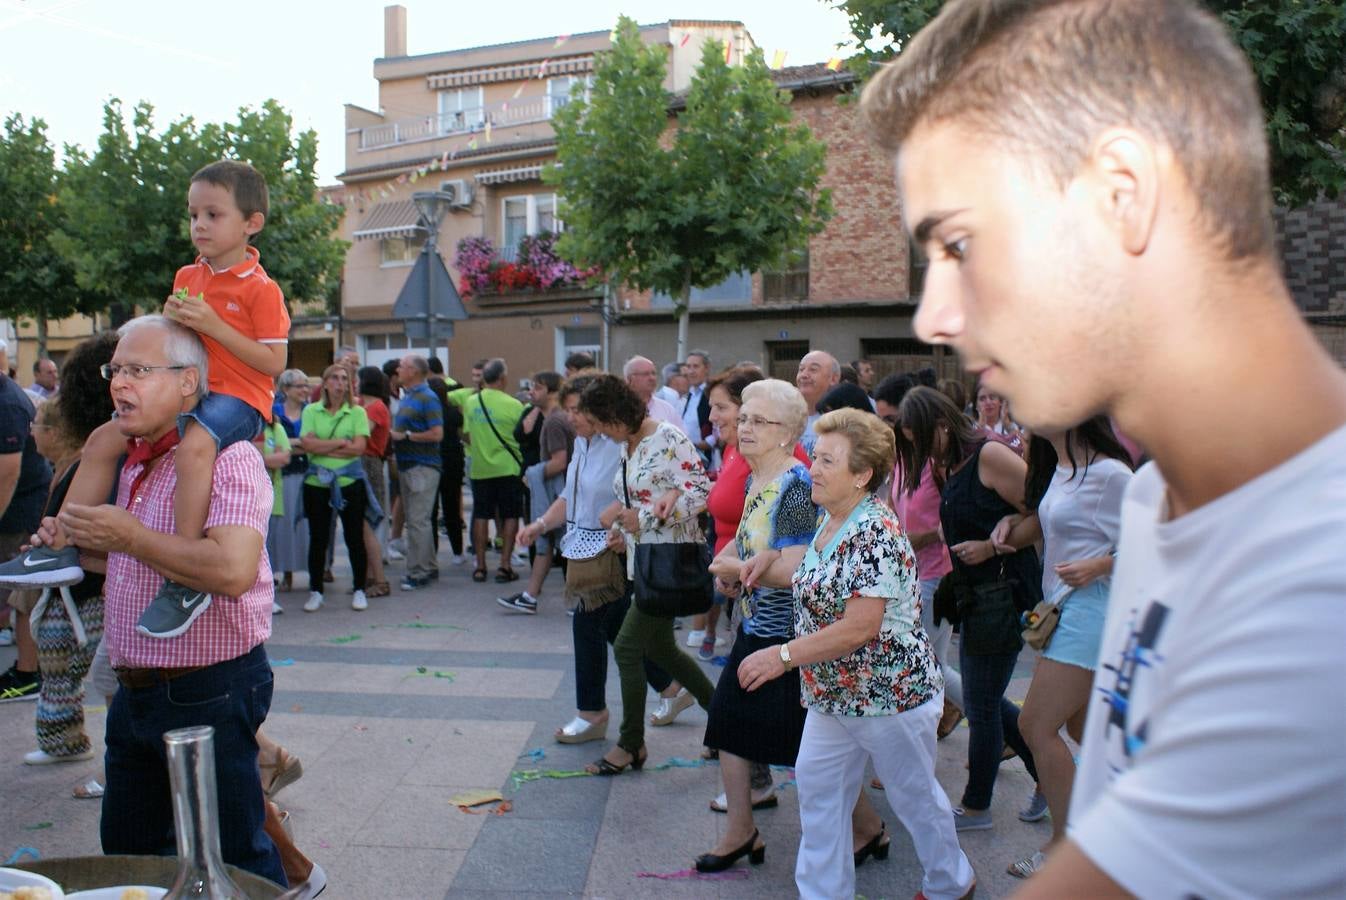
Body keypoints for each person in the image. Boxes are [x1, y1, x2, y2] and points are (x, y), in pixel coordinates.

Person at [866, 2, 1346, 895]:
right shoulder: (1161, 494)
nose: (934, 315)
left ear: (1123, 195)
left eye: (960, 243)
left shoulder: (1319, 575)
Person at [37, 315, 285, 884]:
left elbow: (231, 570)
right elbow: (138, 560)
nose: (119, 384)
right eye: (115, 369)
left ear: (187, 383)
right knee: (131, 857)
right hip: (134, 692)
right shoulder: (135, 455)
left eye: (138, 371)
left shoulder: (229, 457)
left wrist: (126, 535)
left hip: (208, 690)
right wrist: (78, 547)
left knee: (231, 861)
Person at [0, 162, 291, 644]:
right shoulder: (187, 275)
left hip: (238, 396)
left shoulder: (261, 289)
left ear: (250, 223)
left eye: (213, 215)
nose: (199, 225)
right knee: (101, 438)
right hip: (189, 389)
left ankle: (184, 571)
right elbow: (169, 341)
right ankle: (61, 542)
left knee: (197, 448)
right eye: (193, 214)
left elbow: (273, 362)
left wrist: (213, 325)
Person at [736, 409, 974, 900]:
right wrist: (768, 559)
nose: (814, 468)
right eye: (815, 455)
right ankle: (823, 893)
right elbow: (810, 558)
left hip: (890, 696)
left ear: (862, 474)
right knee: (820, 799)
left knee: (914, 800)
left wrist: (781, 657)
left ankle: (952, 884)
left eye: (828, 460)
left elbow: (859, 628)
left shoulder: (876, 531)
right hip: (832, 695)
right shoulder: (829, 514)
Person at [895, 386, 1041, 831]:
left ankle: (978, 806)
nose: (918, 451)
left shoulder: (989, 454)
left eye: (920, 439)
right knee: (985, 701)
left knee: (981, 705)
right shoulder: (948, 462)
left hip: (1005, 596)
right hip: (974, 598)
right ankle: (1050, 778)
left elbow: (1043, 513)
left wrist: (995, 545)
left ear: (941, 426)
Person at [1000, 417, 1133, 879]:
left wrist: (1100, 564)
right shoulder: (1058, 467)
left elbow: (1154, 540)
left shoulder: (1112, 473)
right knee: (1086, 727)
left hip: (1091, 611)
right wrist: (1010, 526)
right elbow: (1048, 525)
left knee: (1037, 725)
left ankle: (1064, 847)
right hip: (1058, 610)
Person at [516, 373, 675, 742]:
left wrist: (621, 519)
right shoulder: (582, 444)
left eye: (578, 410)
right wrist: (540, 525)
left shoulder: (622, 442)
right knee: (618, 632)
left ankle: (595, 715)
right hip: (584, 547)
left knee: (591, 629)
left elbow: (654, 488)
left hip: (614, 550)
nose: (571, 418)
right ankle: (673, 688)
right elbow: (571, 497)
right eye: (568, 409)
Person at [698, 379, 815, 873]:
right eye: (743, 417)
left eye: (757, 420)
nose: (743, 426)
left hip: (789, 637)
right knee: (728, 725)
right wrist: (729, 568)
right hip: (756, 627)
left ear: (788, 432)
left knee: (810, 746)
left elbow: (795, 566)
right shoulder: (755, 478)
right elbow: (747, 546)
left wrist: (734, 571)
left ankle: (867, 827)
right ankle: (742, 829)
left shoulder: (795, 485)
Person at [580, 375, 715, 776]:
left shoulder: (668, 437)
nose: (602, 432)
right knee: (663, 651)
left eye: (603, 423)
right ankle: (726, 725)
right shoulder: (628, 444)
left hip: (671, 560)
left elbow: (700, 492)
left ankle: (630, 744)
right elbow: (632, 500)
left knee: (626, 647)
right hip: (644, 562)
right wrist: (622, 529)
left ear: (619, 413)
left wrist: (646, 518)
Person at [21, 332, 115, 763]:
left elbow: (69, 530)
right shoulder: (97, 450)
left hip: (96, 587)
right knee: (84, 670)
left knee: (108, 676)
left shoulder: (103, 449)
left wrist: (57, 544)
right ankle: (69, 743)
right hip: (86, 583)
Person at [0, 339, 52, 702]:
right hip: (15, 508)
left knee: (22, 594)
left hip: (18, 512)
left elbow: (8, 472)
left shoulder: (7, 403)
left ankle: (28, 675)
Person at [296, 364, 371, 613]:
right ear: (325, 383)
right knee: (318, 538)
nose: (340, 383)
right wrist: (340, 442)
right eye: (335, 378)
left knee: (354, 537)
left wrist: (322, 445)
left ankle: (359, 589)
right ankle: (316, 590)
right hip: (317, 483)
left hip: (349, 483)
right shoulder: (311, 410)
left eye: (344, 379)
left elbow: (358, 448)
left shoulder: (357, 412)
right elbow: (308, 445)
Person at [500, 371, 573, 613]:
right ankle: (530, 597)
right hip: (557, 490)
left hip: (557, 491)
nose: (532, 391)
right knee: (547, 543)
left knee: (560, 541)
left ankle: (576, 599)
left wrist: (534, 475)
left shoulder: (554, 421)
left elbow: (560, 461)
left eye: (539, 388)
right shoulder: (549, 417)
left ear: (553, 392)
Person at [448, 358, 524, 584]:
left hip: (480, 467)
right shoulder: (514, 405)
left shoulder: (472, 402)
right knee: (510, 515)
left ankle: (480, 566)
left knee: (481, 515)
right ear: (503, 379)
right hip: (508, 468)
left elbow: (466, 433)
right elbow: (521, 437)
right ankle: (505, 565)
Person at [390, 354, 443, 591]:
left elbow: (437, 433)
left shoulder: (426, 397)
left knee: (417, 520)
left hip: (421, 466)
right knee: (418, 519)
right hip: (410, 465)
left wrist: (407, 436)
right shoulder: (411, 396)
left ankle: (418, 572)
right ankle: (428, 566)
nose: (398, 369)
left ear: (413, 371)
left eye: (402, 366)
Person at [268, 369, 310, 593]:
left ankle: (314, 570)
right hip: (280, 477)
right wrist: (299, 444)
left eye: (306, 385)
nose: (305, 390)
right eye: (299, 386)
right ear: (285, 389)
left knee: (305, 527)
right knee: (281, 528)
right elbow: (270, 443)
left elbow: (314, 444)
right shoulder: (273, 412)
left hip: (306, 473)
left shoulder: (311, 411)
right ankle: (283, 573)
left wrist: (287, 446)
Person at [356, 366, 392, 597]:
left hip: (369, 463)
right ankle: (369, 576)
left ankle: (379, 579)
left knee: (367, 524)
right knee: (361, 525)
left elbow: (361, 433)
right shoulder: (361, 405)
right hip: (359, 462)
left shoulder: (377, 407)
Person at [256, 398, 292, 613]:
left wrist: (260, 456)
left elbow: (284, 457)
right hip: (253, 498)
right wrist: (269, 456)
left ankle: (269, 595)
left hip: (273, 498)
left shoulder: (276, 428)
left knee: (270, 550)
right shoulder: (248, 429)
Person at [624, 356, 685, 435]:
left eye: (653, 373)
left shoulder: (667, 409)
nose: (652, 378)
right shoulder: (617, 408)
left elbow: (682, 440)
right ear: (630, 379)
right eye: (646, 374)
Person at [795, 350, 840, 454]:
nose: (804, 375)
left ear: (833, 378)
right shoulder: (783, 415)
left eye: (813, 369)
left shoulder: (841, 421)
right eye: (801, 369)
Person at [679, 350, 713, 458]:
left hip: (707, 456)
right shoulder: (690, 394)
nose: (691, 371)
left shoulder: (711, 393)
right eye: (688, 367)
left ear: (706, 368)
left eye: (696, 366)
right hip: (688, 453)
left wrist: (708, 443)